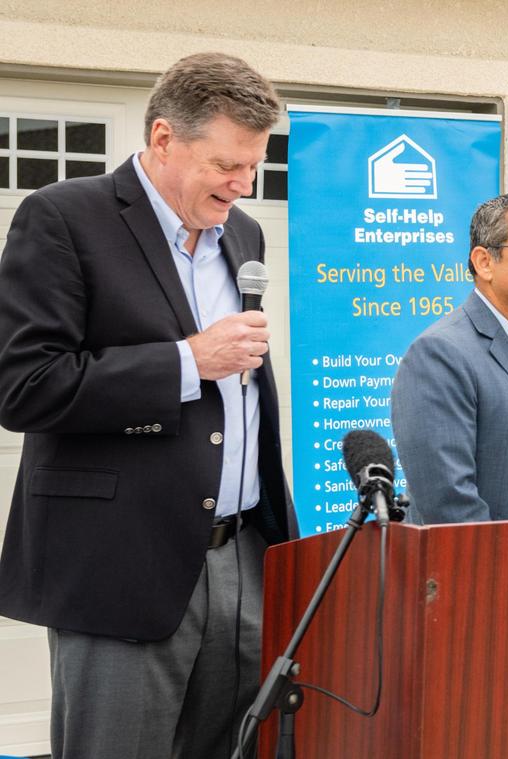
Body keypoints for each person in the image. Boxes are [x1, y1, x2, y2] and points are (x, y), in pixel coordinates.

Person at [0, 53, 294, 759]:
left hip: (242, 555)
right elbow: (24, 384)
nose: (243, 183)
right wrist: (188, 361)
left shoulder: (243, 233)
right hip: (121, 564)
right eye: (226, 163)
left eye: (253, 165)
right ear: (164, 139)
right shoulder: (65, 218)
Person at [392, 193, 508, 523]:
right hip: (480, 567)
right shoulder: (440, 354)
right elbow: (447, 501)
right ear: (484, 262)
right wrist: (499, 571)